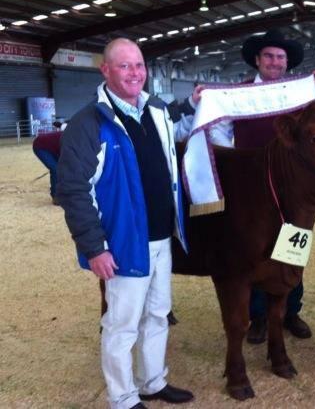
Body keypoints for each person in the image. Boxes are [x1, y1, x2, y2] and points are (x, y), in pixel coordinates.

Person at [57, 38, 199, 409]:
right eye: (124, 66)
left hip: (161, 236)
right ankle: (122, 397)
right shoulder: (88, 123)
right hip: (121, 243)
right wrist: (94, 247)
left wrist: (198, 103)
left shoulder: (156, 110)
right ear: (105, 70)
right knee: (121, 325)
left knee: (157, 314)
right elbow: (72, 189)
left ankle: (152, 381)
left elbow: (178, 137)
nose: (135, 73)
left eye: (139, 65)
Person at [196, 29, 315, 345]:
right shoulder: (238, 94)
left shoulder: (303, 98)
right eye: (268, 56)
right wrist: (236, 160)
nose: (274, 62)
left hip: (293, 192)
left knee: (292, 249)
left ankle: (290, 310)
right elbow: (218, 130)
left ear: (287, 63)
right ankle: (257, 316)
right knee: (252, 252)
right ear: (257, 60)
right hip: (252, 191)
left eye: (280, 57)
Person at [33, 125, 63, 205]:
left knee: (62, 170)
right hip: (40, 146)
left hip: (54, 148)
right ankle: (56, 196)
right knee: (55, 170)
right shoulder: (72, 139)